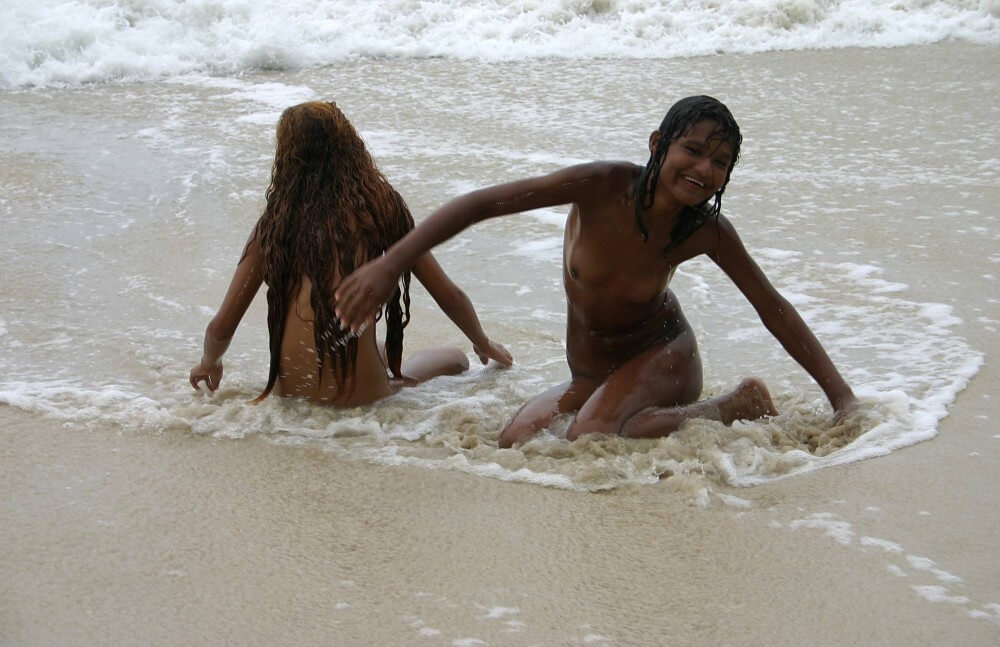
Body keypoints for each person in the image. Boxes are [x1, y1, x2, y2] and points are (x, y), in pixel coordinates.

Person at [333, 95, 857, 446]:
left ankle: (737, 403)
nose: (703, 170)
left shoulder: (704, 231)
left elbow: (773, 307)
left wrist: (843, 399)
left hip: (663, 356)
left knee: (590, 438)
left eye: (719, 163)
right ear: (658, 144)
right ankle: (648, 404)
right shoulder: (600, 186)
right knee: (514, 441)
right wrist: (389, 263)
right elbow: (479, 204)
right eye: (692, 151)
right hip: (590, 367)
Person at [189, 101, 512, 406]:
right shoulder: (379, 213)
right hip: (361, 401)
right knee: (454, 359)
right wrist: (483, 343)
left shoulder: (274, 225)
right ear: (350, 149)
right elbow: (450, 295)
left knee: (376, 347)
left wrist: (209, 363)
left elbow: (220, 328)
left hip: (291, 398)